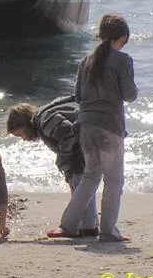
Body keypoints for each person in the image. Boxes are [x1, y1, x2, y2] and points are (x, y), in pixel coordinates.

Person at [50, 13, 137, 242]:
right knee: (114, 181)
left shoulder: (86, 61)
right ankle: (108, 230)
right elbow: (129, 95)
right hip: (109, 127)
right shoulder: (123, 60)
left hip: (86, 126)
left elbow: (78, 96)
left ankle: (67, 225)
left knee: (90, 177)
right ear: (123, 37)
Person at [6, 95, 98, 237]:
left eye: (20, 134)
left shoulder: (45, 121)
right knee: (83, 185)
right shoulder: (46, 114)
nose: (23, 139)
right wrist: (67, 170)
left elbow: (69, 136)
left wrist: (64, 163)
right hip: (96, 134)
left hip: (88, 142)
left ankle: (83, 227)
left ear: (25, 124)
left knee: (80, 183)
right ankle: (88, 226)